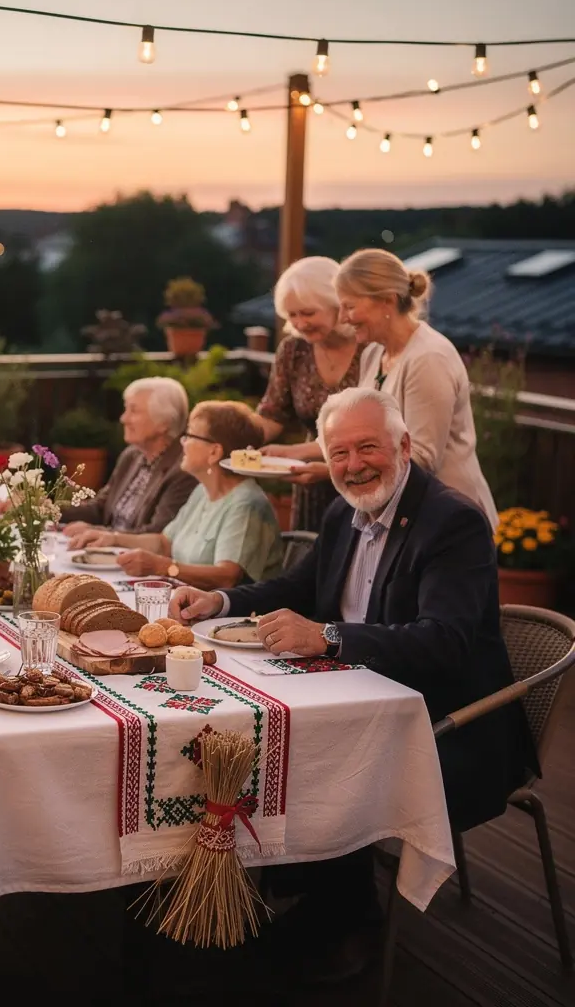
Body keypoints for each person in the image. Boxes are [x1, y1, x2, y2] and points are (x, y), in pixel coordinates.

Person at [169, 388, 536, 980]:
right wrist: (221, 599)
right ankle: (315, 902)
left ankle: (351, 919)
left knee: (319, 751)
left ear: (405, 446)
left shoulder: (453, 522)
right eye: (338, 453)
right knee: (260, 735)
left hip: (448, 724)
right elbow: (294, 587)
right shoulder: (345, 513)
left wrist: (331, 637)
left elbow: (446, 642)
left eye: (369, 447)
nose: (354, 465)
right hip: (352, 693)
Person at [285, 248, 497, 525]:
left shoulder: (428, 358)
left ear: (386, 301)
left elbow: (422, 459)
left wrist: (330, 472)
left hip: (449, 519)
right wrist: (288, 453)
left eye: (349, 307)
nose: (344, 318)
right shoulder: (375, 353)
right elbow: (360, 432)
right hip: (406, 514)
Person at [78, 401, 283, 591]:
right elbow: (165, 543)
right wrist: (112, 539)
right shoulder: (202, 491)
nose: (182, 443)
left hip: (230, 621)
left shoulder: (246, 503)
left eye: (190, 436)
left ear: (214, 452)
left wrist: (162, 567)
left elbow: (227, 577)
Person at [250, 256, 364, 531]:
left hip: (363, 477)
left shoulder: (370, 346)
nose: (299, 323)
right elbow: (272, 413)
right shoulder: (293, 350)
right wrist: (234, 436)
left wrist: (294, 452)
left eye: (308, 313)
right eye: (292, 315)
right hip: (311, 483)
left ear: (336, 304)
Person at [61, 377, 198, 540]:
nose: (123, 419)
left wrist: (99, 533)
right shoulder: (132, 455)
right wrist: (46, 509)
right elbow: (100, 508)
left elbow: (158, 533)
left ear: (164, 423)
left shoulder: (183, 470)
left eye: (134, 411)